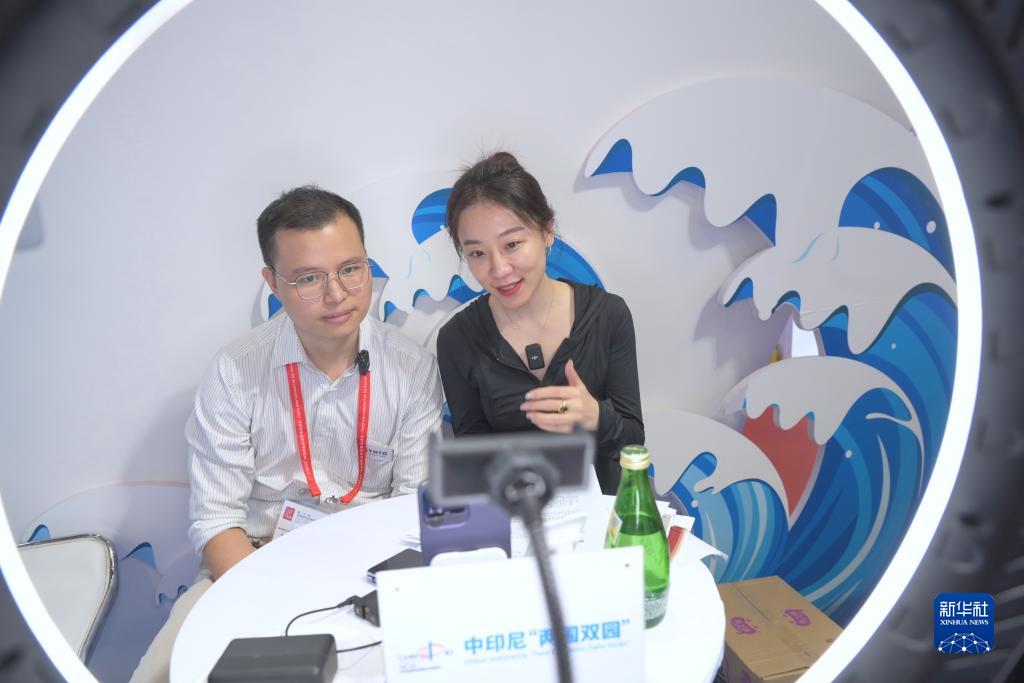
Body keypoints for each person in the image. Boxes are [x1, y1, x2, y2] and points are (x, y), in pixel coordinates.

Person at [130, 186, 443, 683]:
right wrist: (274, 597)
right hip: (252, 559)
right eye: (308, 279)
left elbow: (411, 509)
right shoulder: (235, 371)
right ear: (272, 283)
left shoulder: (413, 369)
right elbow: (217, 521)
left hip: (372, 568)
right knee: (160, 673)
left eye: (351, 269)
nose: (336, 294)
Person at [436, 152, 644, 494]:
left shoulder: (608, 316)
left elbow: (633, 445)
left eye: (512, 244)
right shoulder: (457, 339)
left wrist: (595, 416)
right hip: (515, 515)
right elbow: (473, 454)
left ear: (547, 232)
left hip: (602, 516)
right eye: (477, 253)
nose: (499, 269)